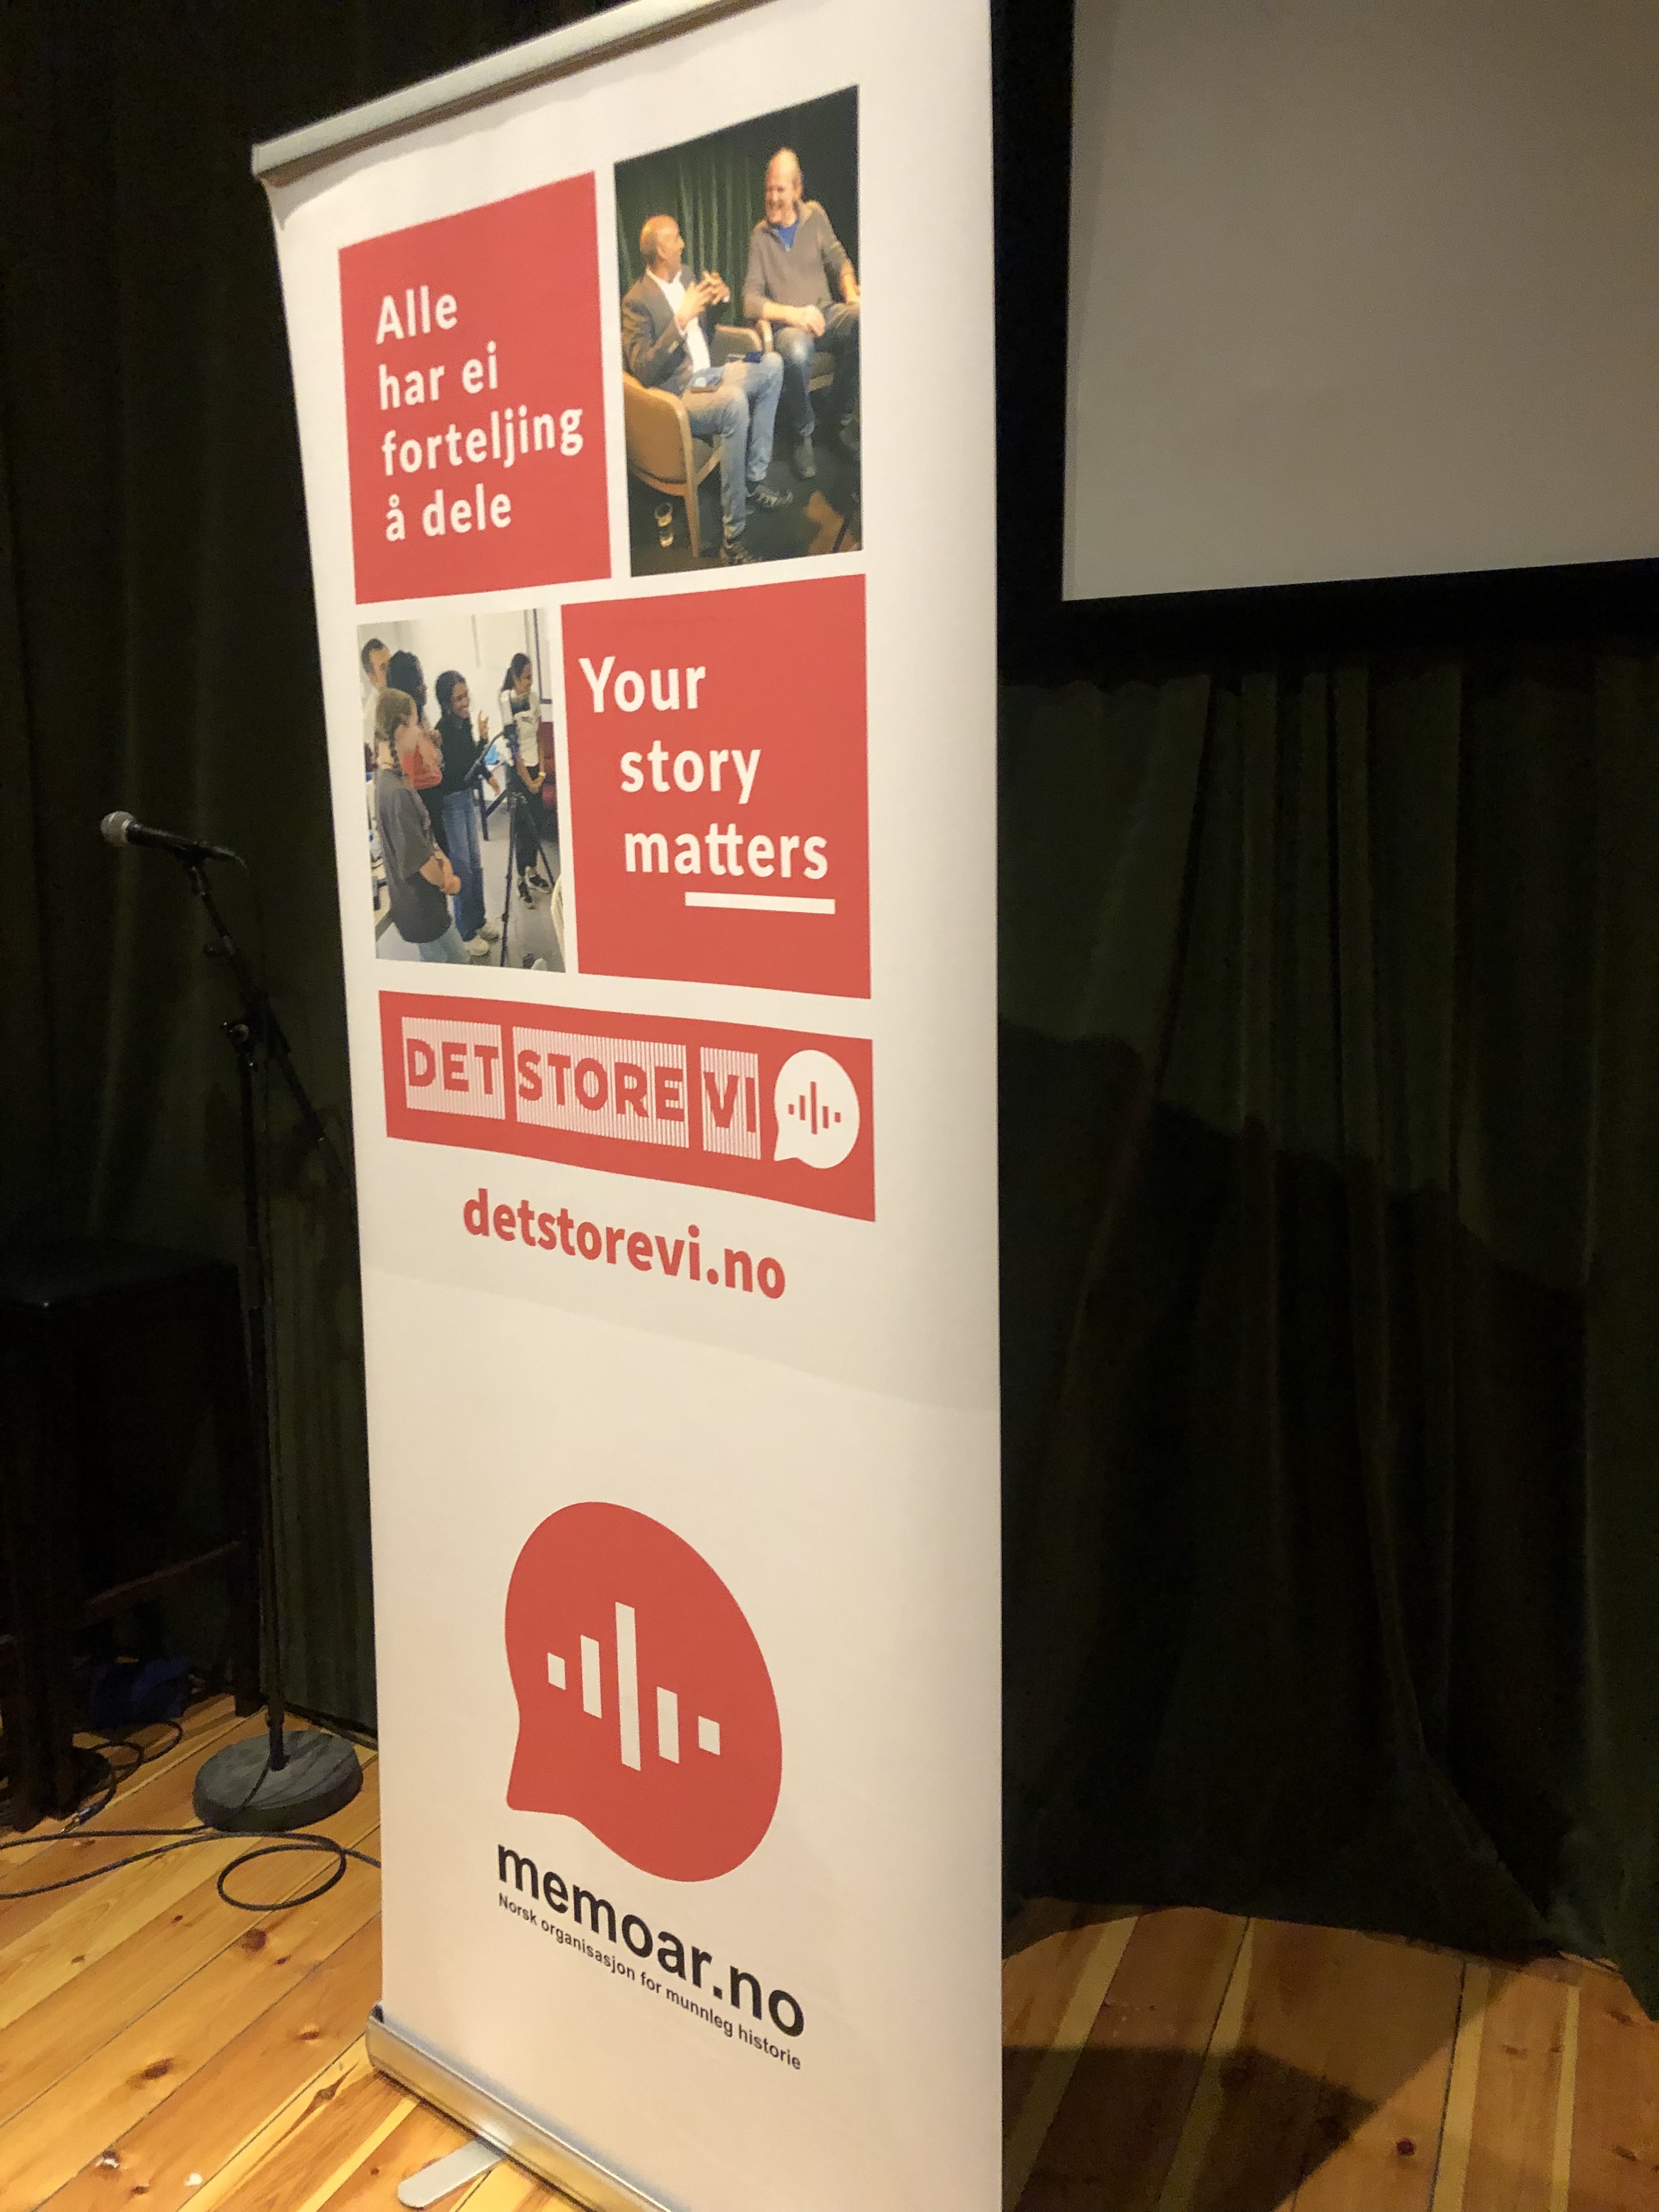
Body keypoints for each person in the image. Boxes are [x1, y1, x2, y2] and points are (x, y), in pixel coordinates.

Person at [620, 215, 790, 567]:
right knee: (734, 404)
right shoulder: (636, 301)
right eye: (676, 239)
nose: (683, 244)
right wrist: (679, 321)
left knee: (772, 365)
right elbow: (644, 369)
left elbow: (709, 323)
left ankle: (753, 481)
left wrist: (721, 297)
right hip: (679, 394)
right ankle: (733, 538)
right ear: (660, 251)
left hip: (710, 374)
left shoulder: (685, 275)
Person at [741, 148, 860, 481]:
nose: (772, 197)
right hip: (789, 328)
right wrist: (795, 315)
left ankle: (836, 421)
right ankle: (803, 431)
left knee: (865, 321)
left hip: (826, 314)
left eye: (780, 189)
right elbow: (750, 301)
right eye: (769, 189)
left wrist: (851, 292)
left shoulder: (815, 215)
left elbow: (839, 259)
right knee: (795, 350)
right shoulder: (760, 237)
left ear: (797, 190)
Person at [371, 689, 478, 963]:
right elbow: (421, 862)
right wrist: (448, 882)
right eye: (415, 723)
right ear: (400, 729)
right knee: (456, 966)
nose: (420, 730)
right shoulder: (397, 792)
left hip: (421, 905)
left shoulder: (388, 777)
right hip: (422, 909)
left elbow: (423, 837)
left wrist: (444, 861)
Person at [433, 670, 498, 956]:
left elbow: (472, 759)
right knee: (462, 869)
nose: (465, 702)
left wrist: (482, 741)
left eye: (466, 695)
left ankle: (479, 921)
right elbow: (458, 771)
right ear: (446, 703)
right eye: (458, 699)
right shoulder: (442, 732)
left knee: (475, 864)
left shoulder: (463, 724)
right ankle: (465, 932)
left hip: (466, 800)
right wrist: (480, 754)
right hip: (451, 804)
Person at [498, 652, 552, 904]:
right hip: (517, 771)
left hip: (534, 768)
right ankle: (520, 878)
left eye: (532, 677)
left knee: (537, 823)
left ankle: (532, 872)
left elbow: (539, 737)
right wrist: (528, 782)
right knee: (521, 826)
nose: (531, 682)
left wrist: (540, 773)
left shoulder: (533, 698)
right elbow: (514, 747)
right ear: (515, 677)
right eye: (527, 677)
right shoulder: (506, 700)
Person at [384, 648, 447, 854]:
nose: (425, 687)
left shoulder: (418, 716)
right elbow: (408, 782)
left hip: (432, 795)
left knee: (444, 854)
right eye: (419, 682)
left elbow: (431, 760)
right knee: (438, 858)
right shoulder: (403, 729)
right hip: (422, 801)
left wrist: (431, 741)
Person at [360, 637, 389, 766]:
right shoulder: (372, 715)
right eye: (384, 668)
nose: (390, 671)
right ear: (372, 678)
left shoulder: (404, 696)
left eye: (391, 663)